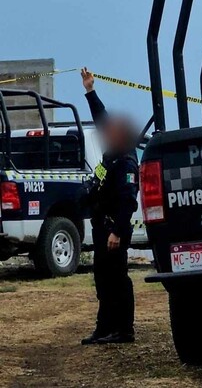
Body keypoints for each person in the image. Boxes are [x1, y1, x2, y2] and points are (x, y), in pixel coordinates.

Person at [80, 67, 139, 345]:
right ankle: (104, 328)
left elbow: (128, 201)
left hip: (114, 231)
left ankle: (124, 330)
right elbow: (102, 119)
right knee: (103, 281)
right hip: (102, 228)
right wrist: (90, 91)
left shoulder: (126, 162)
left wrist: (116, 231)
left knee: (117, 280)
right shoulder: (111, 154)